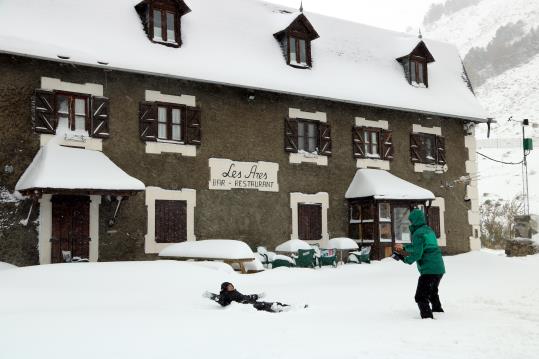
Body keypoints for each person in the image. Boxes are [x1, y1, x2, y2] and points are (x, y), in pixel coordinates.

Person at [393, 208, 446, 319]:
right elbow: (421, 246)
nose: (410, 223)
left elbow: (417, 254)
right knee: (432, 292)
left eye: (411, 221)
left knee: (421, 296)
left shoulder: (417, 234)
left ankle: (427, 319)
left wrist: (405, 259)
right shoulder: (428, 230)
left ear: (415, 221)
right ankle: (438, 311)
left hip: (429, 269)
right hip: (439, 268)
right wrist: (404, 247)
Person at [203, 282, 291, 313]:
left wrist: (257, 296)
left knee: (272, 303)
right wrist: (211, 296)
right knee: (263, 306)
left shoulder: (235, 292)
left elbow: (245, 296)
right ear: (225, 288)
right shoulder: (224, 295)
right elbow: (220, 300)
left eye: (231, 285)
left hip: (248, 301)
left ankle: (288, 307)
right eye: (229, 286)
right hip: (245, 305)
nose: (231, 287)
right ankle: (278, 313)